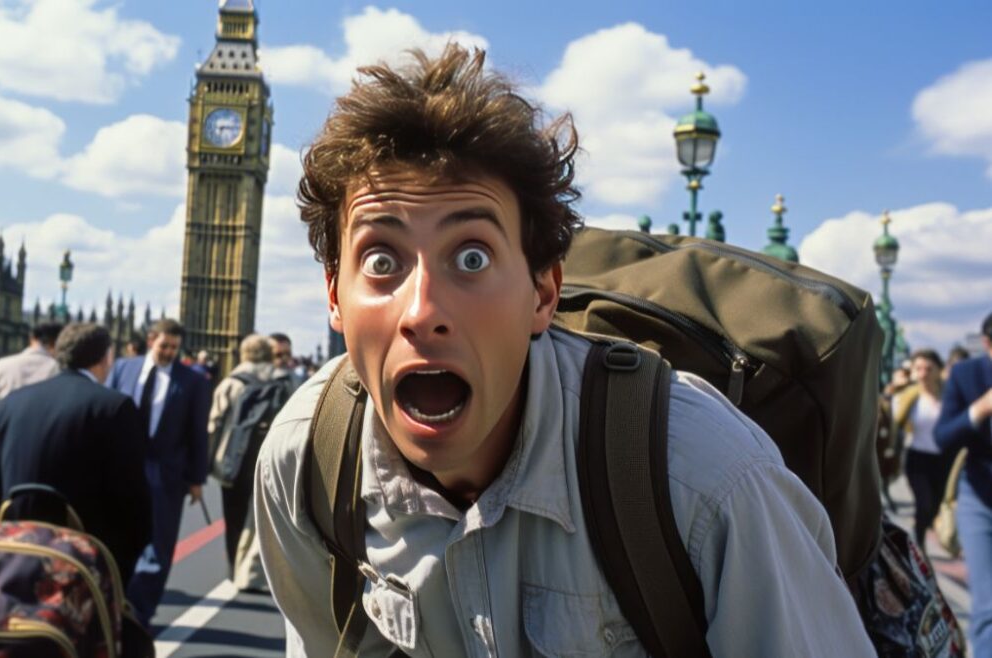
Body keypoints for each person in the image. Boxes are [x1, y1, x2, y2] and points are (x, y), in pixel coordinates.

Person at [253, 45, 873, 656]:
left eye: (472, 258)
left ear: (544, 293)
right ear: (334, 296)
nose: (422, 312)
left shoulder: (705, 478)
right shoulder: (308, 462)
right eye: (381, 261)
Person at [0, 323, 151, 584]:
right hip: (79, 560)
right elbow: (132, 498)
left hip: (13, 553)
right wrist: (123, 564)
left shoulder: (14, 401)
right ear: (106, 358)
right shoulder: (115, 406)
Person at [108, 318, 211, 622]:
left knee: (159, 544)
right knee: (119, 534)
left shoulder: (193, 381)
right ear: (151, 339)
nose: (169, 352)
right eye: (164, 345)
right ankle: (115, 602)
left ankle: (141, 613)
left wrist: (196, 479)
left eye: (174, 348)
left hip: (166, 473)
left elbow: (197, 433)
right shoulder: (122, 368)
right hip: (123, 468)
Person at [936, 312, 992, 655]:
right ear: (987, 344)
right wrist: (980, 409)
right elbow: (943, 437)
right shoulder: (966, 374)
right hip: (979, 497)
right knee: (988, 605)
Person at [208, 334, 275, 586]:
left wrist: (209, 459)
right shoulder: (281, 381)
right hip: (266, 460)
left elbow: (214, 423)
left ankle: (232, 568)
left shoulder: (231, 383)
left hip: (232, 460)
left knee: (233, 516)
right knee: (258, 519)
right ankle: (252, 570)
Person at [0, 322, 62, 449]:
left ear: (32, 339)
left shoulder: (3, 364)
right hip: (42, 443)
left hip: (5, 439)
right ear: (57, 342)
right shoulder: (59, 369)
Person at [895, 349, 951, 548]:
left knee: (936, 505)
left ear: (938, 370)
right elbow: (895, 423)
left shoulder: (949, 397)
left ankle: (922, 529)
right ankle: (918, 542)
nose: (923, 373)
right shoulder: (909, 397)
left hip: (943, 460)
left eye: (928, 368)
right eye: (918, 368)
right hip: (917, 459)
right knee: (924, 504)